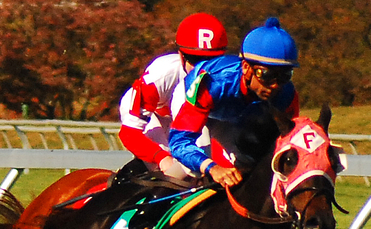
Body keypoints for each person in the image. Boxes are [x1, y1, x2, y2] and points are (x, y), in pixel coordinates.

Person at [166, 17, 302, 188]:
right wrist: (212, 167)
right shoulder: (215, 84)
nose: (275, 85)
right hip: (196, 101)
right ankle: (156, 189)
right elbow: (179, 142)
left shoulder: (287, 95)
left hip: (232, 116)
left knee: (247, 163)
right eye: (266, 74)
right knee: (194, 168)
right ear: (246, 68)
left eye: (285, 75)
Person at [117, 13, 225, 183]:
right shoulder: (161, 75)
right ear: (181, 55)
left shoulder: (231, 75)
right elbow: (129, 133)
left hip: (193, 121)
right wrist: (161, 158)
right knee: (175, 170)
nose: (202, 68)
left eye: (210, 61)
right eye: (195, 60)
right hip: (156, 118)